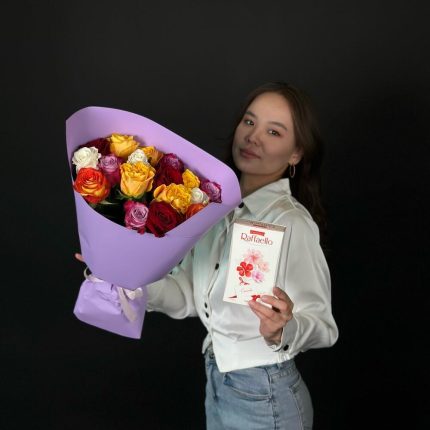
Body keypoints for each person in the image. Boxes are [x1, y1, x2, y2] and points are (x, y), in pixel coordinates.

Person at [76, 81, 339, 429]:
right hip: (218, 383)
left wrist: (282, 330)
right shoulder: (211, 210)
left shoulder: (290, 222)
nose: (253, 137)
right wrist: (125, 274)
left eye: (274, 131)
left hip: (266, 395)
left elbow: (324, 327)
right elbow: (186, 295)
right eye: (249, 122)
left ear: (296, 154)